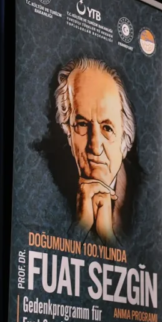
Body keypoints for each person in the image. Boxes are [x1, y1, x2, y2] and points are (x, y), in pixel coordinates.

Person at [54, 57, 136, 246]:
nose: (95, 146)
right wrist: (80, 227)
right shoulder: (41, 187)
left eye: (107, 128)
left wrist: (108, 238)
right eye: (82, 124)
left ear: (125, 137)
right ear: (68, 132)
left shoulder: (147, 199)